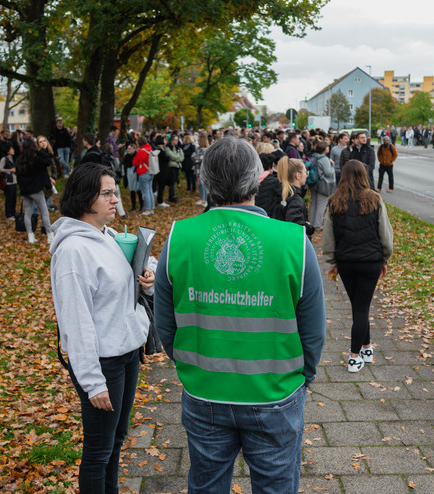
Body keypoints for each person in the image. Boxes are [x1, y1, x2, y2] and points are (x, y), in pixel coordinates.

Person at [153, 136, 326, 494]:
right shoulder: (294, 241)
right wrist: (302, 379)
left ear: (204, 180)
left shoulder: (178, 237)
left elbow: (166, 326)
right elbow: (313, 331)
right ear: (258, 178)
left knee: (207, 486)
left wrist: (192, 365)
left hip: (205, 392)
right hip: (276, 392)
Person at [49, 163, 154, 494]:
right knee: (97, 452)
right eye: (106, 193)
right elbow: (76, 323)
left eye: (115, 192)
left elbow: (123, 291)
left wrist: (146, 282)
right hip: (103, 363)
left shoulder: (107, 236)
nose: (115, 199)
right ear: (85, 198)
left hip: (126, 355)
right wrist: (92, 383)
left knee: (116, 441)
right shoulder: (72, 251)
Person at [322, 160, 393, 373]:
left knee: (359, 306)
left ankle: (367, 348)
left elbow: (327, 236)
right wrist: (385, 258)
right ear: (364, 175)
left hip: (346, 262)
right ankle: (354, 358)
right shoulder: (375, 199)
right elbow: (385, 234)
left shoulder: (334, 202)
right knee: (361, 307)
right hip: (370, 261)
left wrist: (332, 261)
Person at [16, 139, 54, 244]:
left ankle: (30, 236)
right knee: (44, 212)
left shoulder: (20, 160)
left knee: (27, 213)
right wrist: (40, 151)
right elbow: (48, 161)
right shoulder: (36, 159)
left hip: (25, 190)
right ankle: (49, 235)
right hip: (36, 190)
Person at [308, 141, 336, 231]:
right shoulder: (324, 159)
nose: (329, 148)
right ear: (324, 149)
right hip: (323, 184)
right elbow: (328, 173)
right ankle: (317, 225)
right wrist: (332, 165)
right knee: (321, 205)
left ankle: (311, 223)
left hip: (314, 183)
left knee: (314, 203)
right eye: (327, 147)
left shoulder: (314, 156)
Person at [132, 135, 155, 216]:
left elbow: (135, 162)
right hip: (151, 171)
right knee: (150, 190)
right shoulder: (149, 148)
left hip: (144, 172)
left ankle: (148, 210)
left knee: (145, 192)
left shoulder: (142, 151)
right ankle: (152, 208)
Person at [0, 145, 19, 220]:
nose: (13, 150)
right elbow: (0, 169)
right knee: (9, 198)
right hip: (8, 181)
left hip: (14, 180)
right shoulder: (4, 159)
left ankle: (13, 212)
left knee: (14, 198)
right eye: (11, 149)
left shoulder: (13, 159)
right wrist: (10, 170)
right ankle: (8, 214)